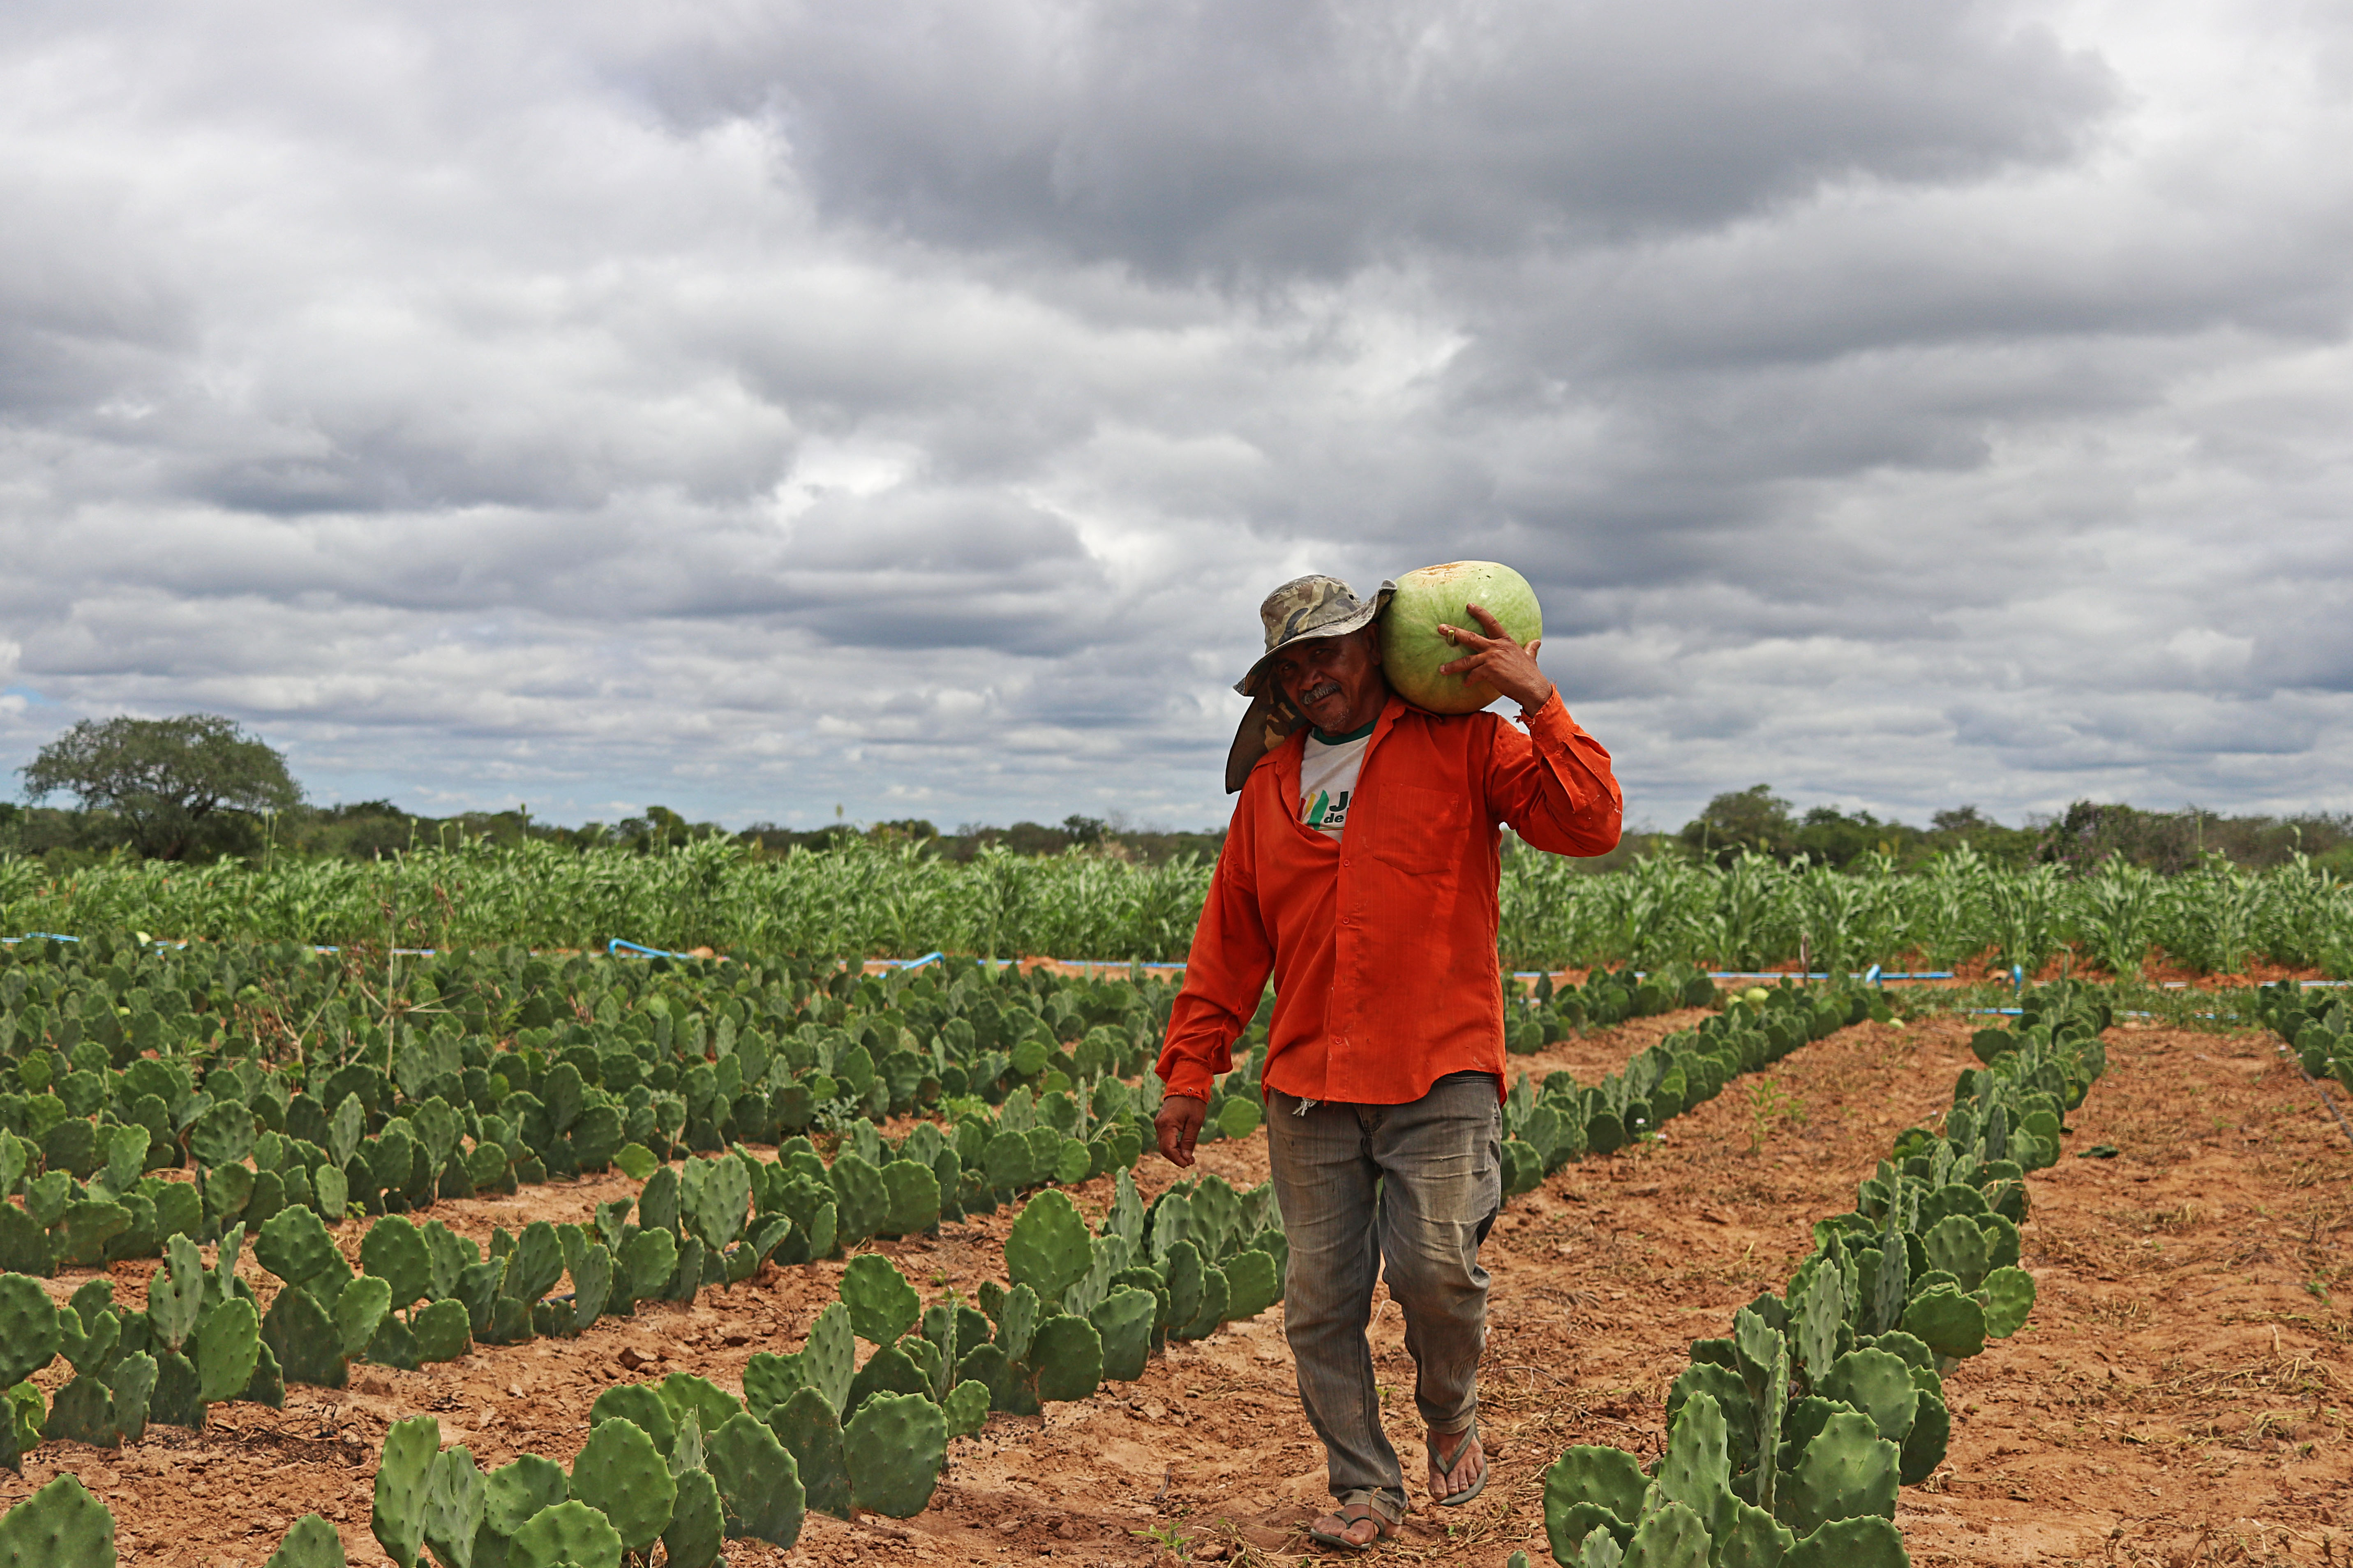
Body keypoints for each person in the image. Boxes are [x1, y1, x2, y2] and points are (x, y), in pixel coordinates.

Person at [1153, 573, 1621, 1552]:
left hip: (1440, 1068)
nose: (1314, 673)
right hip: (1308, 1086)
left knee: (1436, 1268)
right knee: (1319, 1304)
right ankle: (1365, 1485)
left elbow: (1590, 825)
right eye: (1294, 661)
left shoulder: (1469, 747)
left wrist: (1536, 698)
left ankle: (1448, 1404)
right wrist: (1190, 1072)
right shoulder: (1273, 789)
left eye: (1328, 649)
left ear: (1377, 649)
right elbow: (1230, 942)